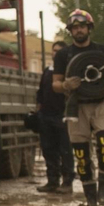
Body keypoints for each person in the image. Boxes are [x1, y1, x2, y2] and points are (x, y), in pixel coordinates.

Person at [54, 9, 104, 206]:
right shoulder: (63, 55)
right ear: (70, 31)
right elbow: (55, 84)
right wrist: (66, 85)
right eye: (74, 28)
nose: (79, 30)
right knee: (81, 153)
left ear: (89, 28)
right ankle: (90, 198)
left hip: (101, 103)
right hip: (76, 106)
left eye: (82, 26)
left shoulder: (103, 51)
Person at [35, 41, 73, 194]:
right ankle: (52, 181)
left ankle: (67, 182)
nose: (55, 54)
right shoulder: (48, 70)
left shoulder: (69, 71)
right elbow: (41, 92)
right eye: (54, 50)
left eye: (59, 51)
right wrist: (38, 112)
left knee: (65, 151)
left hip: (62, 116)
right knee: (48, 150)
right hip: (46, 117)